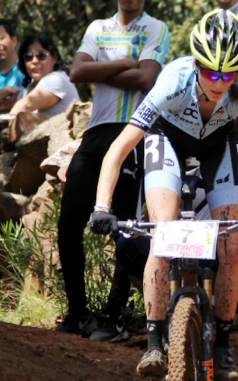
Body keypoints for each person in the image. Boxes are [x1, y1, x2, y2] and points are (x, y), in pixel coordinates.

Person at [89, 10, 238, 381]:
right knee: (162, 236)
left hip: (218, 144)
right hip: (167, 139)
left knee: (230, 244)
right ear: (196, 63)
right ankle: (153, 341)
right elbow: (118, 148)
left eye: (228, 74)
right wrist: (101, 206)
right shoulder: (173, 81)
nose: (219, 82)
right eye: (211, 73)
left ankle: (224, 344)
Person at [58, 0, 170, 338]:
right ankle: (79, 313)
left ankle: (114, 316)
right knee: (68, 224)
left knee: (126, 227)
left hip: (132, 131)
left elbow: (147, 78)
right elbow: (77, 73)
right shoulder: (97, 28)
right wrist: (124, 63)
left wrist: (103, 69)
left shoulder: (155, 28)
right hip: (94, 133)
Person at [114, 168, 238, 313]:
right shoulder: (183, 178)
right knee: (127, 245)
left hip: (236, 266)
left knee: (220, 248)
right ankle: (164, 310)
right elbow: (152, 225)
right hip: (186, 252)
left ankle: (217, 315)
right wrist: (168, 205)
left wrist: (232, 188)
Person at [10, 33, 80, 118]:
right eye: (29, 57)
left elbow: (24, 106)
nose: (34, 61)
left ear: (54, 58)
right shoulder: (26, 90)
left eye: (41, 56)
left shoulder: (57, 79)